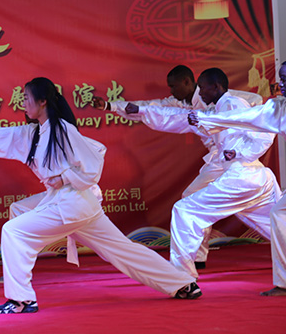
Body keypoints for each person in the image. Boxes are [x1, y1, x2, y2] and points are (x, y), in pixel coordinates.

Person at [0, 77, 202, 315]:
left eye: (27, 99)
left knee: (13, 232)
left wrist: (64, 178)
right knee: (123, 250)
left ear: (42, 102)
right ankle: (182, 284)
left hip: (71, 203)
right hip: (77, 206)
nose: (24, 104)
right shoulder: (35, 132)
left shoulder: (62, 129)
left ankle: (22, 300)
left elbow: (92, 165)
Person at [94, 64, 263, 270]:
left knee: (253, 210)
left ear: (189, 82)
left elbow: (257, 107)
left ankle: (185, 265)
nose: (171, 91)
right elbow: (161, 110)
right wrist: (112, 106)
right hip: (220, 160)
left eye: (173, 86)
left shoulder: (230, 100)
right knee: (193, 200)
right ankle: (196, 258)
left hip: (239, 161)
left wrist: (237, 140)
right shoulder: (183, 103)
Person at [133, 68, 278, 279]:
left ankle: (181, 277)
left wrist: (238, 153)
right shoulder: (216, 109)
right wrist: (136, 109)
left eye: (202, 88)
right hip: (255, 178)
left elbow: (266, 131)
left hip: (242, 176)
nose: (199, 93)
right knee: (276, 224)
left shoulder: (233, 104)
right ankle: (187, 268)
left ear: (216, 87)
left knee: (184, 210)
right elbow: (176, 116)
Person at [189, 61, 286, 296]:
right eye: (281, 79)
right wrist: (206, 121)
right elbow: (249, 118)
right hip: (233, 168)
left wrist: (239, 153)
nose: (281, 85)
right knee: (278, 215)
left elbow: (256, 129)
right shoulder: (279, 107)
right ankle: (283, 284)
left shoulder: (233, 103)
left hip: (244, 171)